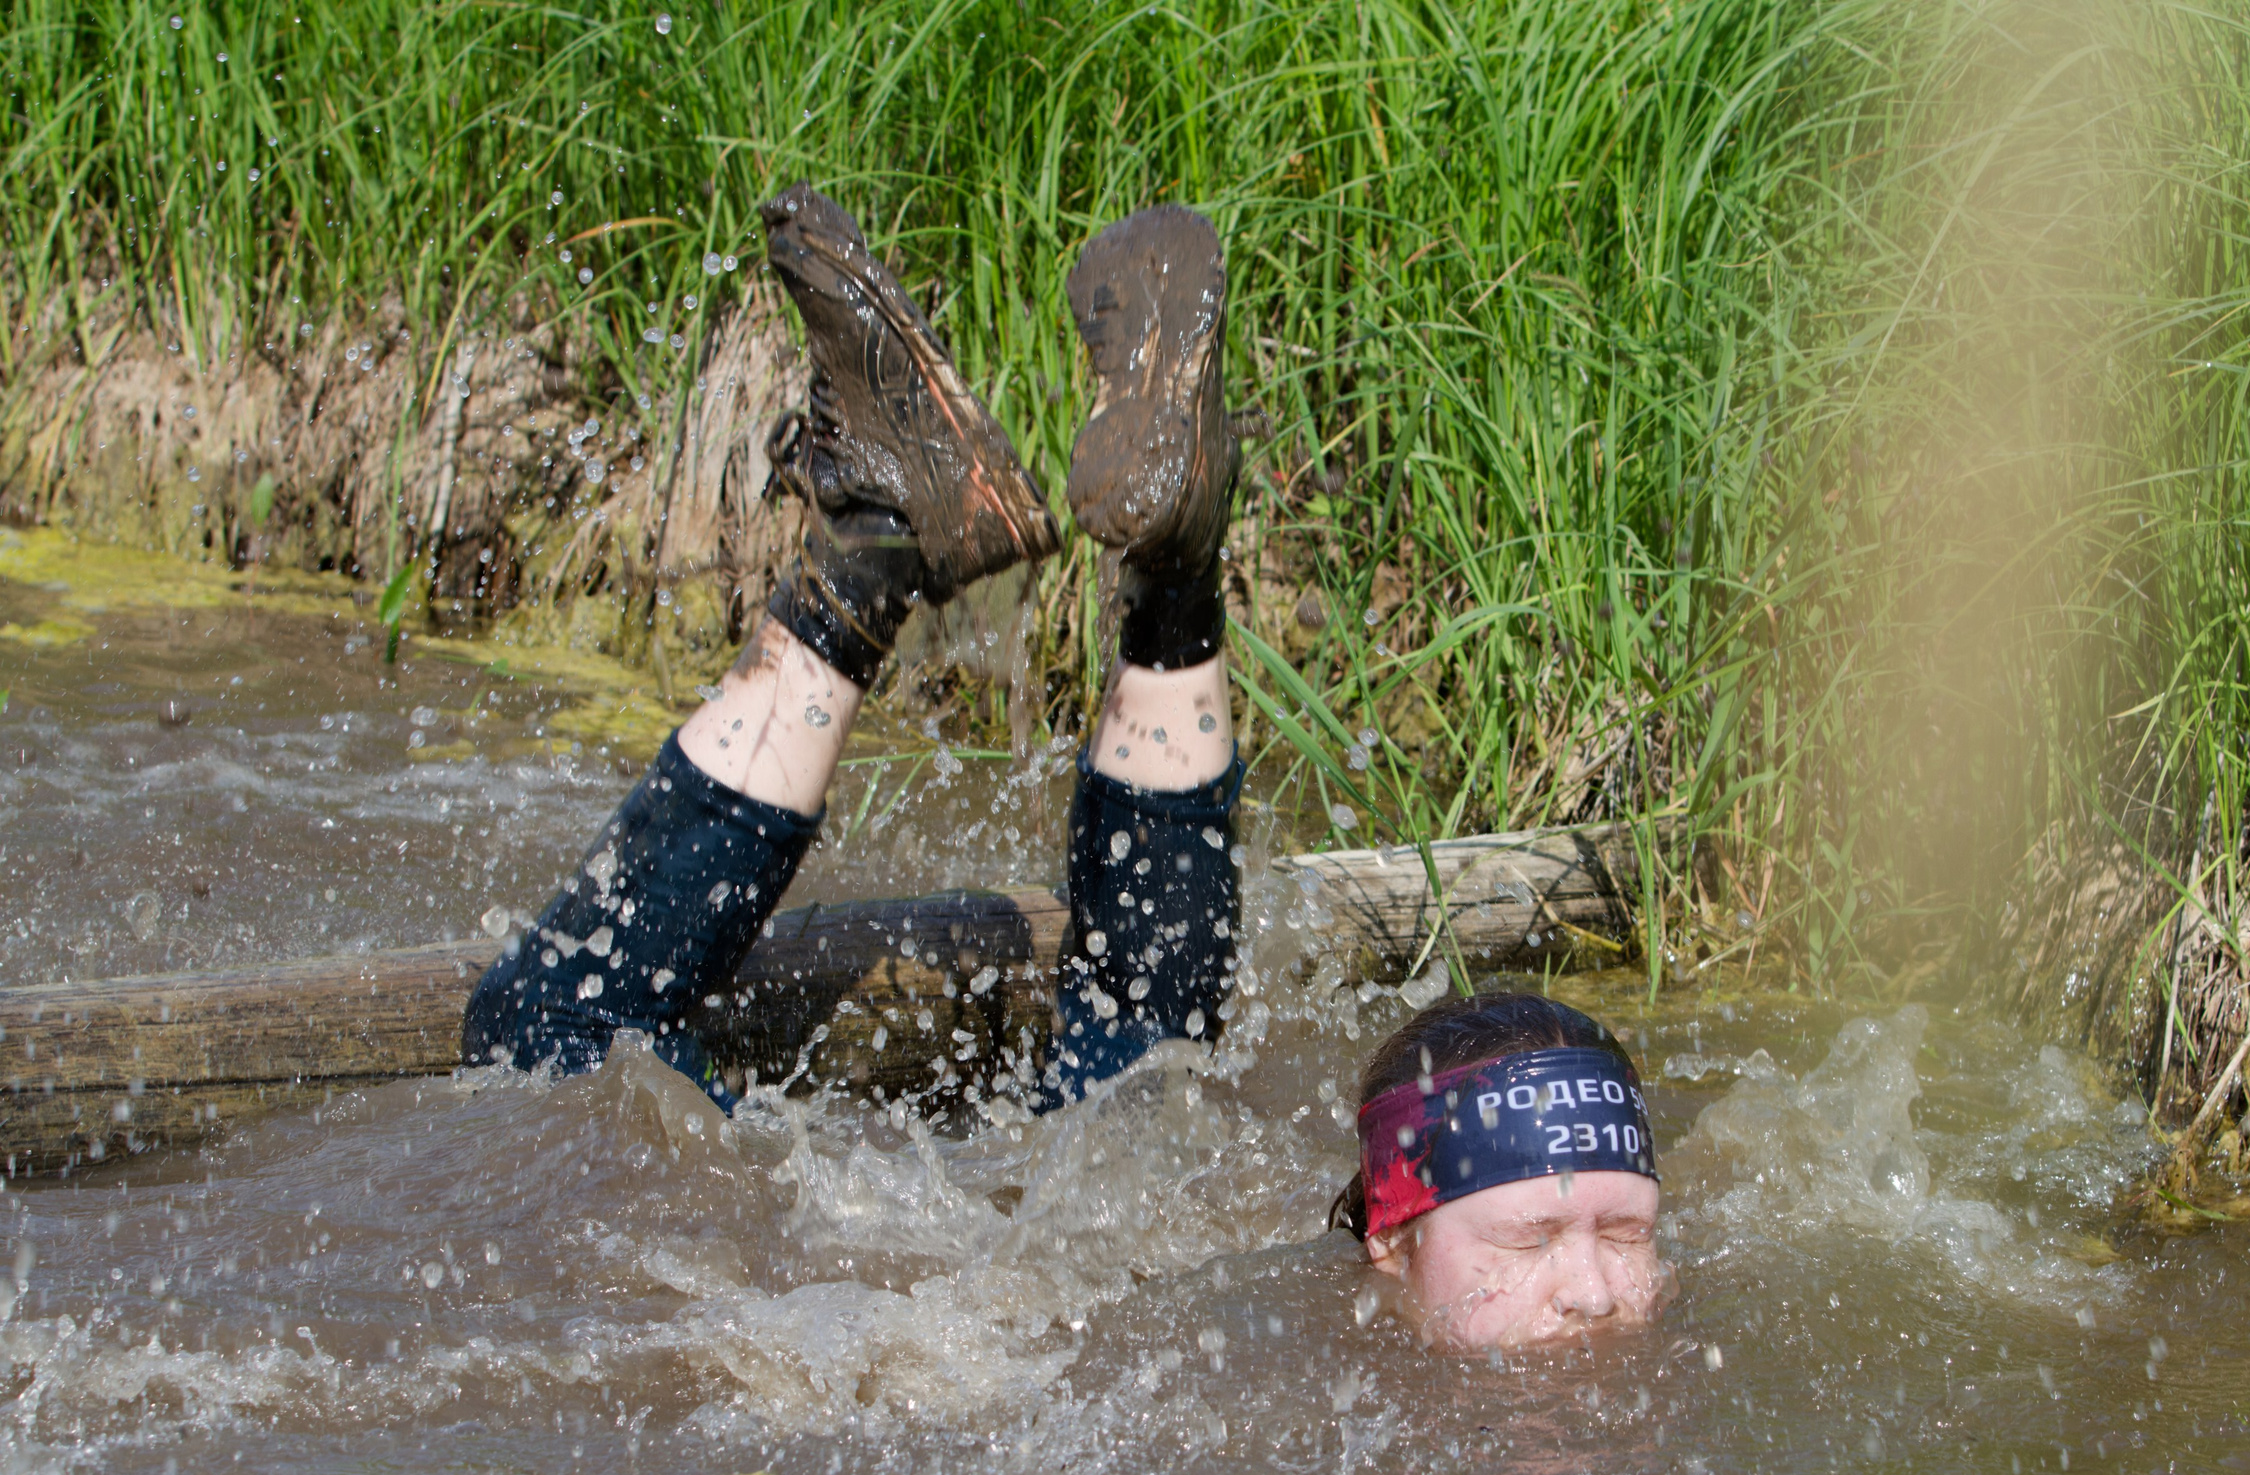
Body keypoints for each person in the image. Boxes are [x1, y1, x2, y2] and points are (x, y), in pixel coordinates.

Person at [462, 185, 1667, 1349]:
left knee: (544, 1044)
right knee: (1146, 1093)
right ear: (1389, 1243)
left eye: (1628, 1235)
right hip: (971, 1316)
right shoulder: (1285, 1356)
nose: (1595, 1292)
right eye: (1526, 1239)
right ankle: (1165, 569)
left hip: (900, 1324)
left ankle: (885, 557)